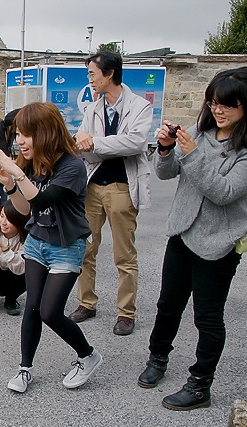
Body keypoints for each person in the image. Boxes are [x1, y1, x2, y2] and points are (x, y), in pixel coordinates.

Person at [137, 67, 247, 411]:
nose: (218, 111)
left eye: (228, 105)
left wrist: (192, 153)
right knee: (168, 303)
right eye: (214, 103)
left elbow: (224, 192)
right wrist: (167, 148)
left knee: (208, 316)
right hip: (183, 231)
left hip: (220, 241)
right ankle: (158, 357)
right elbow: (165, 173)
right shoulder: (202, 130)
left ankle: (200, 384)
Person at [0, 102, 101, 393]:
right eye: (18, 135)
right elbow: (26, 210)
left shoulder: (73, 166)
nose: (20, 142)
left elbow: (42, 200)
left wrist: (17, 173)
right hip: (37, 242)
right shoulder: (31, 162)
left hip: (66, 246)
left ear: (47, 133)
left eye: (26, 135)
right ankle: (24, 368)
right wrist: (10, 184)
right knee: (33, 308)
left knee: (50, 312)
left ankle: (88, 356)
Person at [68, 50, 153, 336]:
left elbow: (135, 143)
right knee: (85, 248)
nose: (89, 79)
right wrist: (88, 144)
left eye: (93, 74)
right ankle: (86, 302)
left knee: (124, 254)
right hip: (92, 186)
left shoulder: (140, 106)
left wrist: (95, 144)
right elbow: (82, 143)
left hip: (122, 187)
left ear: (110, 74)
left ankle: (126, 312)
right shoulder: (92, 109)